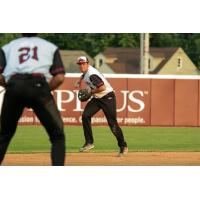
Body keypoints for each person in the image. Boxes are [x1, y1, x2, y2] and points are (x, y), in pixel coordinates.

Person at [0, 33, 66, 166]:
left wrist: (10, 86)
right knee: (57, 135)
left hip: (15, 85)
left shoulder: (8, 47)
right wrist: (45, 91)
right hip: (38, 85)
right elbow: (59, 77)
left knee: (4, 135)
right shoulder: (50, 46)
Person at [75, 56, 128, 156]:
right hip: (97, 98)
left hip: (108, 97)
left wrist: (90, 93)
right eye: (80, 64)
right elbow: (83, 74)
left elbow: (102, 88)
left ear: (88, 63)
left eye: (83, 63)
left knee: (112, 123)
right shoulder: (86, 71)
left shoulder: (92, 74)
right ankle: (89, 142)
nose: (82, 66)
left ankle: (123, 146)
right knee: (85, 116)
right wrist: (79, 80)